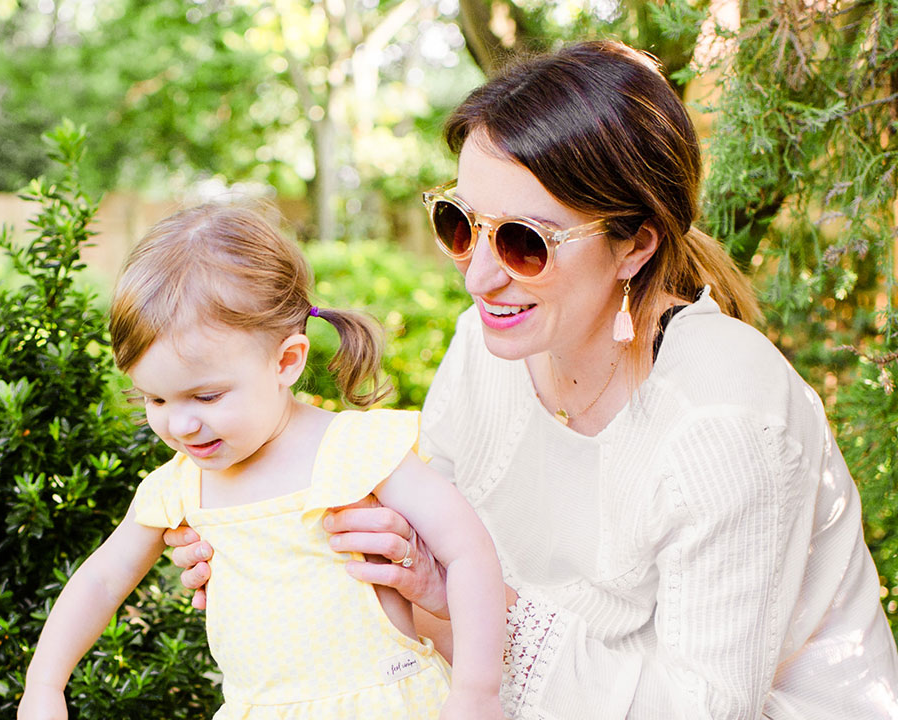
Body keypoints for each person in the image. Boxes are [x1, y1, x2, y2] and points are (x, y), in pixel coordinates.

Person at [166, 40, 898, 718]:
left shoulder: (726, 422)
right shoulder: (485, 353)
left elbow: (700, 709)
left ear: (635, 244)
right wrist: (270, 545)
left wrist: (477, 600)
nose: (479, 276)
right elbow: (430, 598)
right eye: (461, 224)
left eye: (524, 242)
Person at [16, 202, 508, 720]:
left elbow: (469, 552)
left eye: (206, 397)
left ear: (286, 361)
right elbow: (100, 580)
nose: (179, 425)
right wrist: (45, 684)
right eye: (155, 400)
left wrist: (476, 693)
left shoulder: (355, 452)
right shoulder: (178, 488)